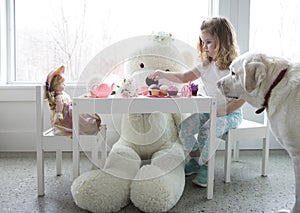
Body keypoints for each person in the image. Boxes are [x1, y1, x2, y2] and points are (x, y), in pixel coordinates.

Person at [148, 17, 245, 187]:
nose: (204, 46)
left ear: (223, 41)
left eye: (209, 42)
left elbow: (243, 95)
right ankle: (195, 159)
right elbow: (185, 77)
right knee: (184, 129)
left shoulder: (235, 67)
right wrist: (163, 73)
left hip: (231, 113)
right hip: (209, 110)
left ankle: (207, 168)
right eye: (203, 42)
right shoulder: (204, 65)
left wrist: (226, 109)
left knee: (207, 129)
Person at [46, 65, 101, 137]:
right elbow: (59, 106)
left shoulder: (63, 94)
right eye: (62, 84)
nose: (64, 85)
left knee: (83, 114)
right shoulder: (59, 97)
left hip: (70, 111)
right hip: (66, 116)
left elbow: (69, 102)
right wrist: (59, 113)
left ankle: (91, 126)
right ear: (56, 85)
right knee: (82, 118)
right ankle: (88, 128)